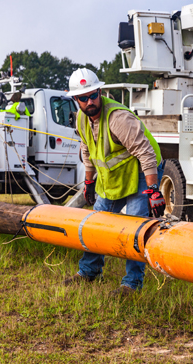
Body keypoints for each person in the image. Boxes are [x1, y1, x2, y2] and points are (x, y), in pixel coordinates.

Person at [63, 68, 165, 295]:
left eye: (93, 95)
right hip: (114, 176)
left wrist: (153, 189)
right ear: (76, 100)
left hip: (142, 170)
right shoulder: (82, 119)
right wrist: (88, 182)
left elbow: (145, 153)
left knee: (136, 226)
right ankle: (89, 271)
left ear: (99, 92)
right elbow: (87, 150)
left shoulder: (118, 119)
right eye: (83, 98)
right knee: (96, 223)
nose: (89, 101)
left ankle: (132, 283)